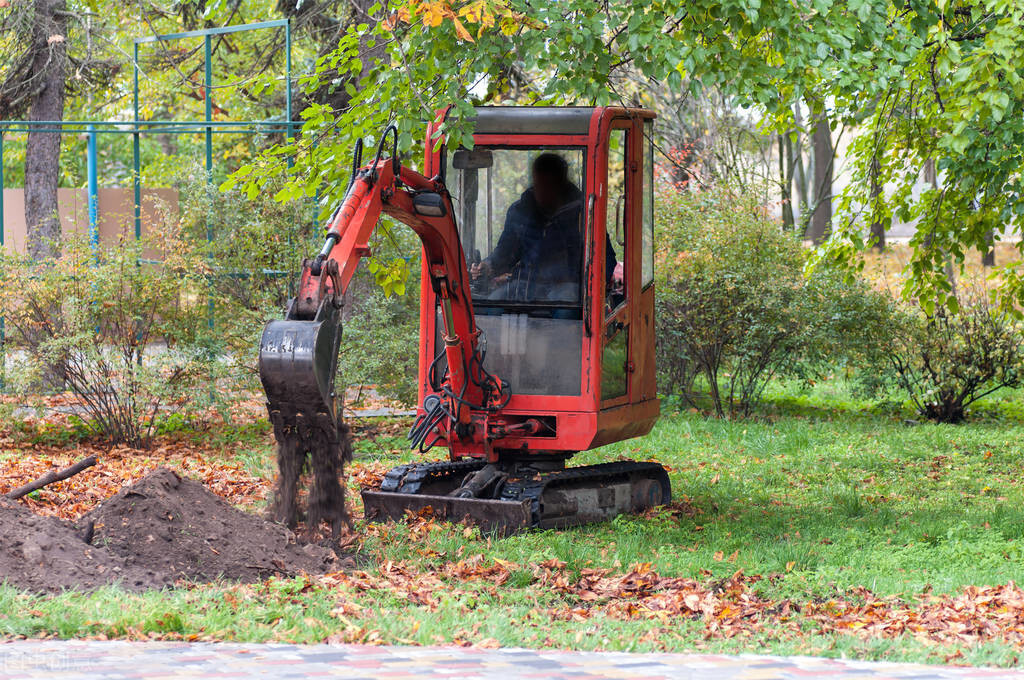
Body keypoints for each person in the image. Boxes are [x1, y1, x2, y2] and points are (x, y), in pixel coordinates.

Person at [471, 153, 592, 303]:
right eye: (539, 183)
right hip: (525, 286)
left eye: (549, 185)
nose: (542, 191)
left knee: (565, 304)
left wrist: (588, 286)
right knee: (492, 304)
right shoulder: (520, 211)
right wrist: (488, 265)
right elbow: (506, 252)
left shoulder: (583, 213)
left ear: (562, 184)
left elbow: (606, 260)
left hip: (565, 289)